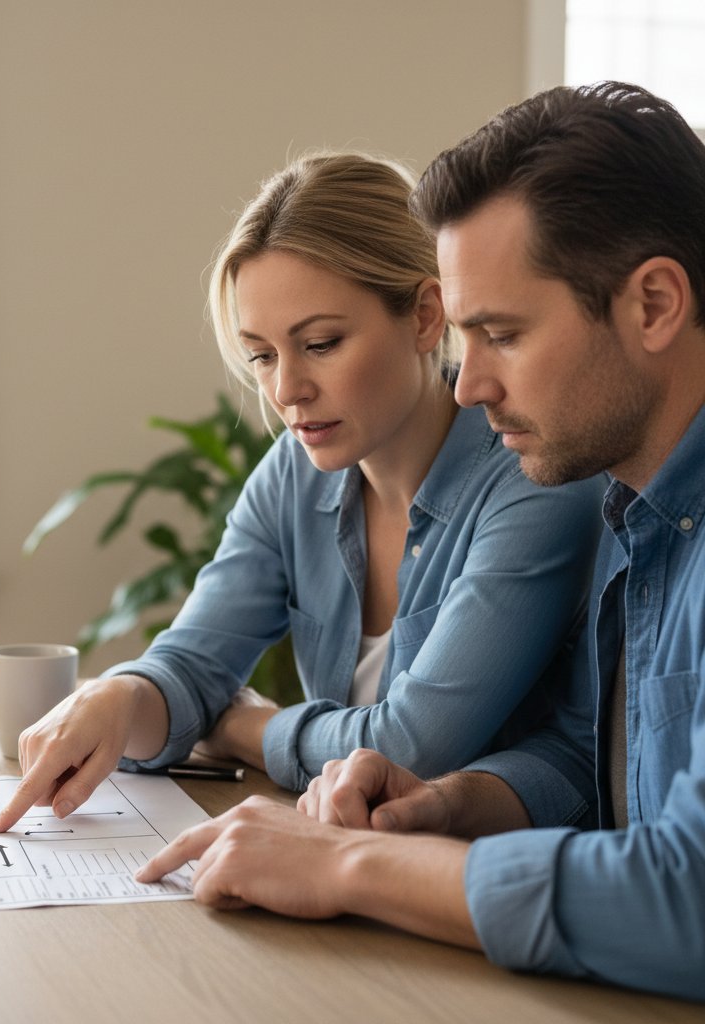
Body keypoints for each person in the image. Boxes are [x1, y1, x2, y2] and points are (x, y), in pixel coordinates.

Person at [137, 82, 705, 1002]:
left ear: (653, 305)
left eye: (503, 334)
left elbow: (688, 898)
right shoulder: (628, 508)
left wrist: (351, 866)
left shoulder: (565, 491)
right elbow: (584, 756)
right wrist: (447, 804)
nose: (470, 384)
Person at [0, 152, 603, 832]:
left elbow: (411, 749)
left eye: (321, 342)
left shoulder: (534, 481)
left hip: (489, 892)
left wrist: (248, 728)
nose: (286, 391)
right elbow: (193, 663)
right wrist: (123, 695)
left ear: (427, 316)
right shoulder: (294, 470)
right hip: (355, 868)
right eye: (261, 354)